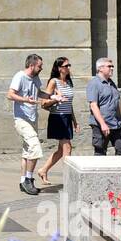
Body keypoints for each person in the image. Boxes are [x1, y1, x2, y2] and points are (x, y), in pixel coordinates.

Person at [7, 52, 55, 195]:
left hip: (32, 118)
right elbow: (10, 94)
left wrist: (53, 97)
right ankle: (28, 179)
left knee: (27, 151)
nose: (41, 68)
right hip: (21, 119)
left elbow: (38, 92)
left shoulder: (35, 78)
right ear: (32, 65)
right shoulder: (20, 76)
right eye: (40, 66)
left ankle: (23, 181)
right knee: (34, 147)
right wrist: (25, 100)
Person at [37, 56, 78, 184]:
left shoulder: (69, 82)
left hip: (66, 117)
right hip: (58, 117)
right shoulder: (54, 82)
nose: (68, 68)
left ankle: (43, 170)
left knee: (61, 150)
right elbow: (44, 103)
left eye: (69, 65)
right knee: (68, 148)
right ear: (59, 68)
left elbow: (69, 104)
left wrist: (74, 121)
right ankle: (68, 179)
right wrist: (56, 99)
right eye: (66, 66)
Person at [86, 57, 121, 155]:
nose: (112, 68)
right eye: (109, 66)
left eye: (112, 66)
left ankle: (119, 170)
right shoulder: (94, 83)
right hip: (101, 125)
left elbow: (116, 104)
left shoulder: (112, 83)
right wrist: (103, 124)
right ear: (100, 68)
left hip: (116, 124)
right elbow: (93, 105)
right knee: (100, 152)